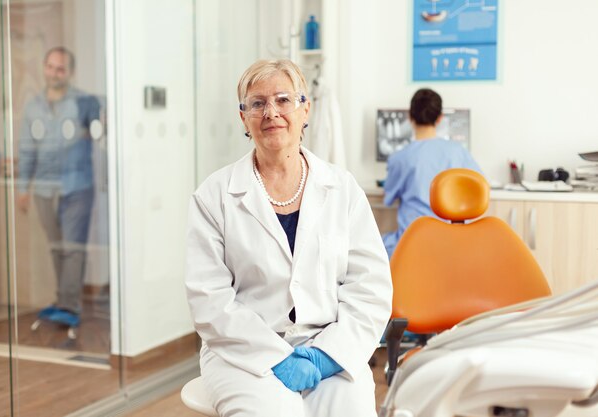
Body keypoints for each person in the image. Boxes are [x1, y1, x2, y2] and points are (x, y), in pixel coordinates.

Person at [185, 59, 392, 417]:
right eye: (257, 103)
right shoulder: (213, 196)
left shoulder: (342, 190)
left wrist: (326, 356)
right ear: (243, 118)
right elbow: (209, 300)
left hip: (328, 348)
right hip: (244, 354)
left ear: (305, 109)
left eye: (283, 100)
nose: (271, 112)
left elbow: (370, 289)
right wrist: (274, 356)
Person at [16, 46, 100, 330]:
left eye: (60, 69)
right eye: (50, 67)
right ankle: (63, 300)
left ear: (70, 72)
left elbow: (100, 136)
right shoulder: (33, 105)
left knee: (73, 248)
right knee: (56, 247)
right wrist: (22, 187)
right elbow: (27, 150)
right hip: (43, 188)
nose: (54, 73)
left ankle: (69, 306)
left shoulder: (85, 102)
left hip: (77, 186)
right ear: (44, 68)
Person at [382, 88, 482, 259]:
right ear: (440, 118)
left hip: (413, 243)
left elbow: (388, 199)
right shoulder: (459, 152)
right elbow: (479, 192)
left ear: (410, 117)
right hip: (453, 244)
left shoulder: (399, 159)